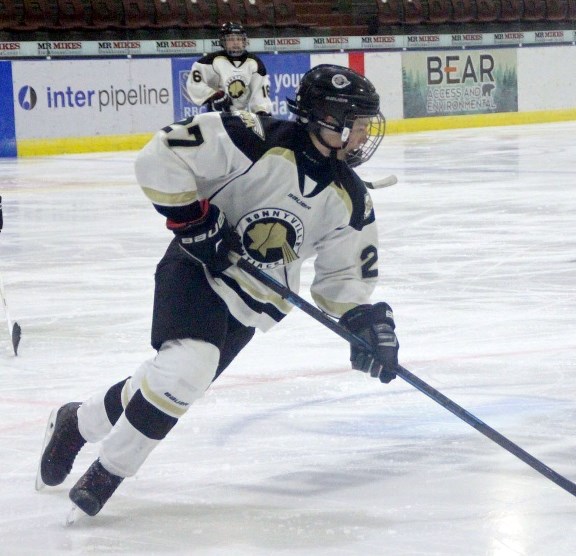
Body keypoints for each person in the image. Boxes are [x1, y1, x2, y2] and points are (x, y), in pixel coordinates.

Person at [36, 64, 399, 518]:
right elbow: (160, 157)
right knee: (188, 370)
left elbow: (345, 279)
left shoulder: (350, 196)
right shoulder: (251, 137)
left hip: (253, 302)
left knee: (171, 381)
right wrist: (194, 220)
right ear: (329, 118)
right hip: (195, 267)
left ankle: (77, 422)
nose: (365, 136)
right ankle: (103, 479)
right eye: (359, 124)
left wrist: (366, 323)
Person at [186, 22, 271, 114]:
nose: (236, 43)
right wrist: (213, 95)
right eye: (231, 39)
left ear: (244, 41)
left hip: (243, 116)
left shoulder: (254, 63)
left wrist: (261, 110)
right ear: (223, 42)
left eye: (239, 39)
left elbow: (260, 92)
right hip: (216, 115)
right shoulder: (210, 61)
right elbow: (195, 83)